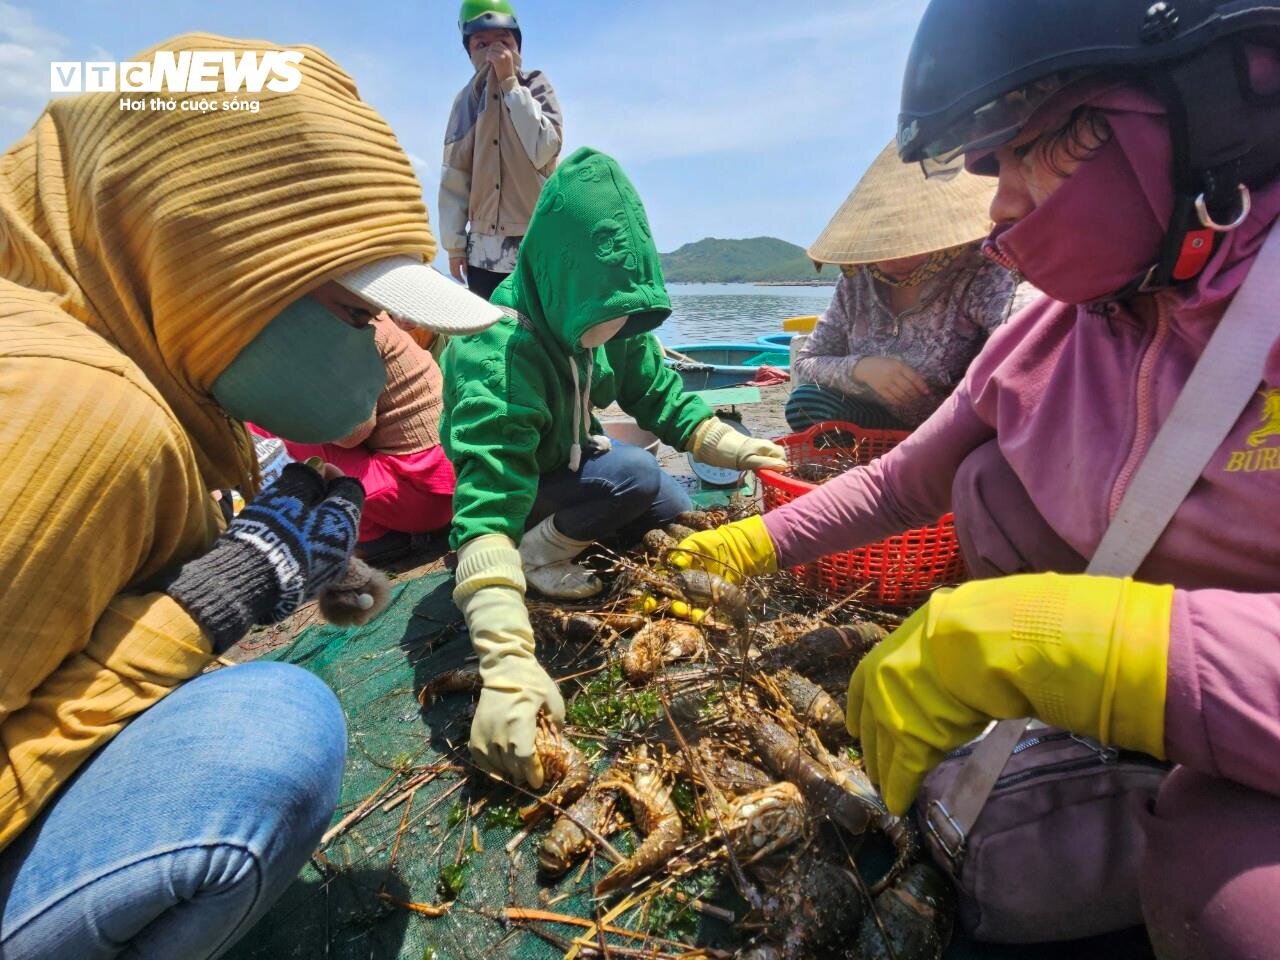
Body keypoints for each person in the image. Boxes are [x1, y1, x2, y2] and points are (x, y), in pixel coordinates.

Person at [670, 3, 1280, 958]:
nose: (996, 206)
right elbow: (900, 486)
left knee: (1237, 904)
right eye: (987, 167)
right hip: (1121, 717)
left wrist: (1092, 650)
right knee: (987, 478)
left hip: (1242, 737)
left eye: (1026, 144)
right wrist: (749, 542)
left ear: (1195, 108)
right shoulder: (1055, 335)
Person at [0, 34, 500, 959]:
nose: (379, 342)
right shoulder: (86, 412)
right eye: (357, 314)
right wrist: (210, 604)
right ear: (216, 260)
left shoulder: (115, 349)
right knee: (275, 728)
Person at [440, 146, 788, 788]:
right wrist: (506, 657)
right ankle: (534, 556)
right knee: (637, 474)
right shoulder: (496, 347)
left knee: (679, 518)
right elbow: (484, 499)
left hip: (572, 462)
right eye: (601, 319)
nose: (614, 329)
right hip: (514, 490)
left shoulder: (612, 310)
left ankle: (565, 538)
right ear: (559, 274)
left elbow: (658, 393)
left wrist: (735, 447)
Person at [787, 140, 1028, 431]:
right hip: (878, 419)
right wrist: (862, 368)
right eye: (881, 245)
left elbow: (1021, 346)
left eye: (904, 245)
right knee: (806, 402)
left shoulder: (978, 270)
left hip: (956, 425)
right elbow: (807, 361)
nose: (889, 259)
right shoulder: (857, 282)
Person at [264, 313, 457, 563]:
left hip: (420, 491)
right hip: (450, 474)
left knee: (272, 429)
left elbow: (351, 432)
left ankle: (373, 535)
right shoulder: (365, 317)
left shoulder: (345, 329)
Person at [440, 0, 564, 301]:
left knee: (538, 336)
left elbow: (545, 147)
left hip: (536, 245)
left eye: (503, 42)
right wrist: (455, 246)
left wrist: (510, 84)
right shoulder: (465, 102)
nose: (493, 52)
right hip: (482, 255)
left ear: (517, 47)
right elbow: (455, 176)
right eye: (481, 43)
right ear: (469, 51)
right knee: (491, 337)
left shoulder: (536, 85)